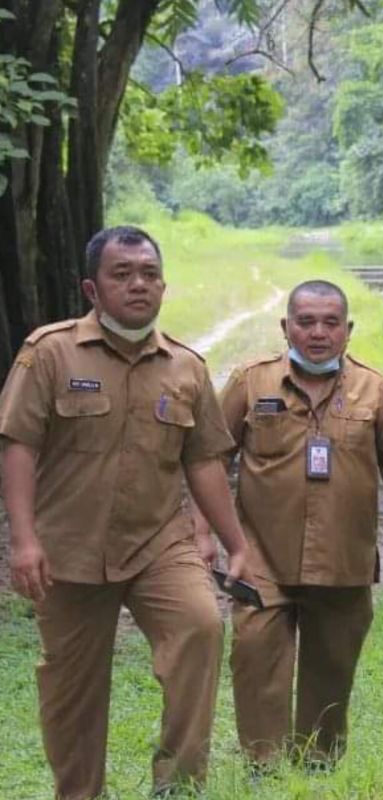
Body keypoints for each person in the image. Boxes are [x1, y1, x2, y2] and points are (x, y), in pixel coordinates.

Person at [0, 225, 250, 800]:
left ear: (163, 284)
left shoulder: (185, 367)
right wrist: (25, 540)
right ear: (92, 288)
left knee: (200, 628)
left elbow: (205, 464)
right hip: (68, 547)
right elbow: (19, 446)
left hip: (158, 543)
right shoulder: (50, 351)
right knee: (72, 688)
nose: (138, 285)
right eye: (122, 275)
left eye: (149, 274)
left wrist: (237, 543)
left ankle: (177, 787)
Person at [194, 280, 383, 767]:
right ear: (286, 327)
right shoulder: (250, 382)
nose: (318, 333)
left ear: (348, 330)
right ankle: (265, 768)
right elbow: (211, 458)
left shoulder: (374, 388)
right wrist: (204, 534)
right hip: (260, 555)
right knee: (256, 662)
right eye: (305, 322)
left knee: (332, 670)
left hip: (343, 559)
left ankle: (318, 766)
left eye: (330, 323)